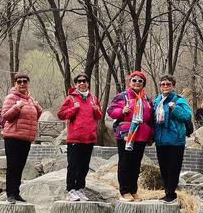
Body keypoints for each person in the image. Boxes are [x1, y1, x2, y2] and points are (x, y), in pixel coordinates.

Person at [107, 71, 153, 202]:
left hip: (141, 135)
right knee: (125, 162)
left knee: (136, 163)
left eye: (140, 81)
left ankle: (134, 190)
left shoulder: (147, 99)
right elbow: (111, 111)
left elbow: (150, 118)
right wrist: (122, 111)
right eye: (134, 80)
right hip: (126, 134)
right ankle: (125, 190)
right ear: (130, 82)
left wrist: (151, 134)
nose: (137, 83)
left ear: (143, 84)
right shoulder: (122, 96)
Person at [57, 73, 103, 202]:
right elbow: (60, 114)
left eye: (84, 81)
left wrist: (96, 110)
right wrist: (73, 110)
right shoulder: (71, 98)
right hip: (75, 138)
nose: (82, 83)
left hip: (89, 137)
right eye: (79, 82)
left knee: (84, 165)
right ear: (76, 84)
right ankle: (71, 189)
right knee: (73, 165)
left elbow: (99, 116)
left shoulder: (93, 98)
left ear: (88, 83)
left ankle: (80, 188)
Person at [1, 72, 42, 204]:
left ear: (28, 84)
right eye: (19, 82)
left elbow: (34, 117)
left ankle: (16, 192)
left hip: (26, 138)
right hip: (13, 137)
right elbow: (5, 116)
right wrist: (16, 107)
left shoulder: (30, 99)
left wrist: (38, 108)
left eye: (25, 81)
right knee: (12, 166)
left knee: (20, 166)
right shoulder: (11, 98)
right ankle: (10, 194)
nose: (22, 84)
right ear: (15, 84)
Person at [154, 74, 192, 204]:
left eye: (168, 84)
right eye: (163, 84)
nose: (165, 86)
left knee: (173, 168)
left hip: (176, 140)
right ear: (160, 86)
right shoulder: (157, 101)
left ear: (173, 86)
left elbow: (187, 116)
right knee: (163, 168)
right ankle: (167, 193)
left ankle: (171, 194)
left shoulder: (179, 100)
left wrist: (174, 109)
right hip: (160, 140)